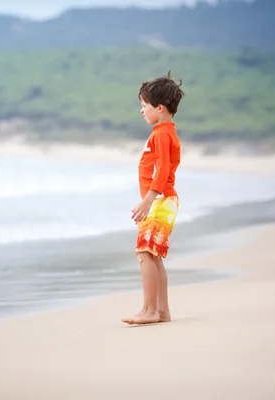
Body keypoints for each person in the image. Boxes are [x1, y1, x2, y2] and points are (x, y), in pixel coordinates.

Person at [122, 71, 185, 325]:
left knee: (144, 252)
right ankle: (162, 311)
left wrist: (148, 200)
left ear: (159, 108)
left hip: (159, 200)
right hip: (164, 199)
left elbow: (163, 171)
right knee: (153, 254)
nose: (141, 111)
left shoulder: (161, 134)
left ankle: (149, 311)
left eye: (144, 106)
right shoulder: (167, 132)